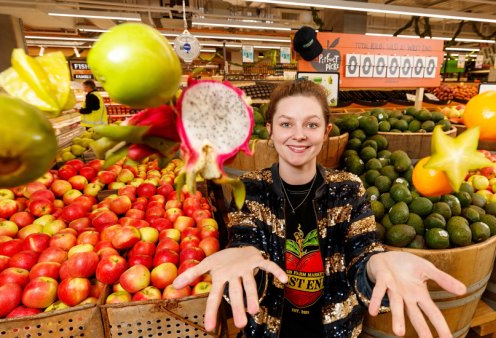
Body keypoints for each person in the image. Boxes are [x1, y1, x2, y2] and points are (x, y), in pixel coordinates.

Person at [173, 80, 466, 338]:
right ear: (270, 130)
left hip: (335, 330)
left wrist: (378, 265)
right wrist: (244, 255)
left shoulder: (348, 189)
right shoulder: (251, 188)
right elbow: (245, 244)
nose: (299, 134)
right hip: (268, 330)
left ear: (325, 132)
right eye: (286, 124)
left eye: (311, 124)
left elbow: (362, 252)